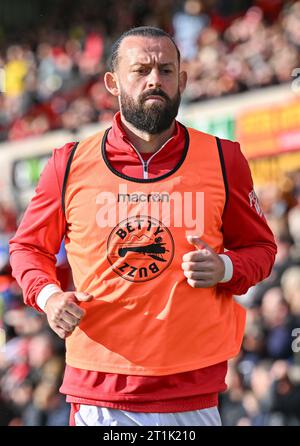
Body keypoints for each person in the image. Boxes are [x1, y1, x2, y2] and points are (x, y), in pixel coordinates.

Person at [9, 26, 277, 427]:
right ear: (113, 83)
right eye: (141, 70)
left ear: (182, 80)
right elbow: (27, 248)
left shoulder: (224, 159)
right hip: (99, 390)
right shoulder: (68, 163)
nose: (155, 79)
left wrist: (224, 268)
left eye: (166, 70)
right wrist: (48, 296)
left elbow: (262, 249)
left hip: (191, 390)